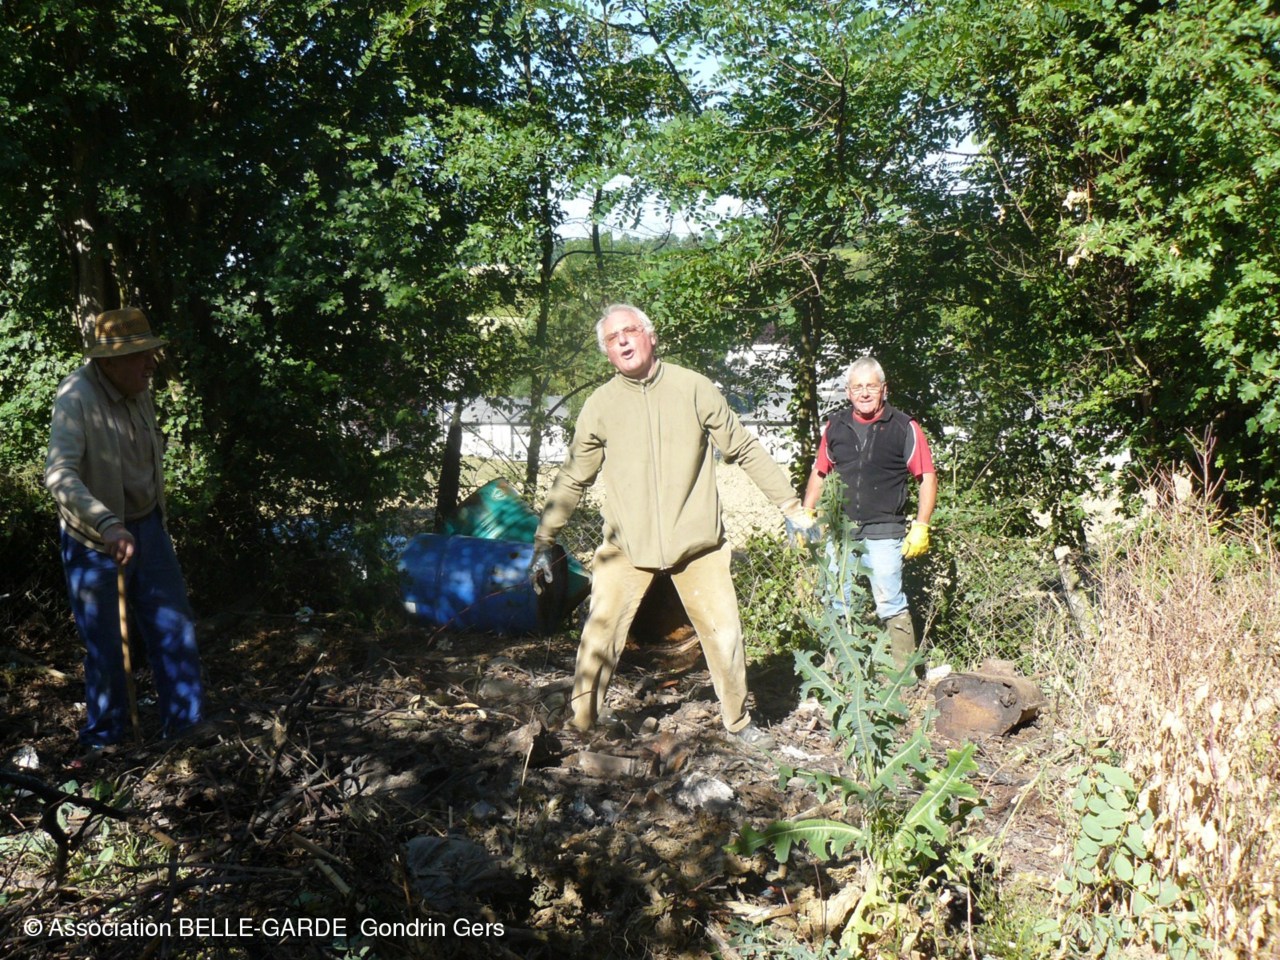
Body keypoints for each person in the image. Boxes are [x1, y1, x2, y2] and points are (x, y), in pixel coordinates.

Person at [528, 303, 815, 745]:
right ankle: (582, 724)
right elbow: (573, 477)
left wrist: (791, 507)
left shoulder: (693, 388)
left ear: (651, 336)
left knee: (725, 636)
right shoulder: (600, 405)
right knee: (599, 635)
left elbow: (743, 448)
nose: (623, 341)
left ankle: (739, 724)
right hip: (625, 545)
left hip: (698, 545)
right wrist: (544, 538)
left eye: (630, 331)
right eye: (612, 339)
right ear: (607, 352)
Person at [45, 307, 204, 750]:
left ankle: (187, 731)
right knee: (108, 647)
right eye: (140, 355)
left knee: (175, 628)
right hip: (94, 541)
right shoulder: (76, 397)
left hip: (147, 527)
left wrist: (143, 520)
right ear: (110, 362)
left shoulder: (138, 387)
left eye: (151, 352)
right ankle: (105, 741)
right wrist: (107, 524)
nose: (152, 363)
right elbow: (58, 475)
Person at [801, 356, 937, 667]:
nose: (864, 393)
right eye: (857, 387)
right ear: (848, 392)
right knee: (838, 600)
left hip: (885, 530)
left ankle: (904, 678)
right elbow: (819, 473)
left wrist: (921, 526)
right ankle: (838, 672)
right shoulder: (835, 426)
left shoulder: (904, 427)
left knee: (890, 601)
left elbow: (927, 477)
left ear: (884, 390)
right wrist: (806, 514)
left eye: (871, 387)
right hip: (841, 532)